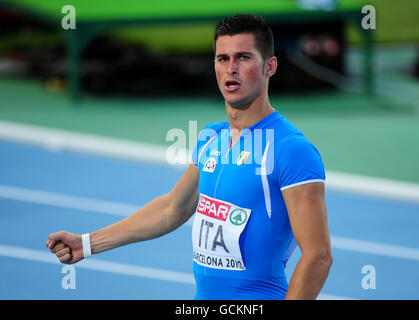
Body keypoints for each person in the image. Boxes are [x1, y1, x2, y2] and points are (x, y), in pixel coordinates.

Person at [46, 14, 332, 300]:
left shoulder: (289, 149)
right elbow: (172, 208)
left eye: (243, 58)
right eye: (222, 58)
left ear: (269, 66)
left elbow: (318, 255)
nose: (231, 69)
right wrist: (87, 244)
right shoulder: (212, 138)